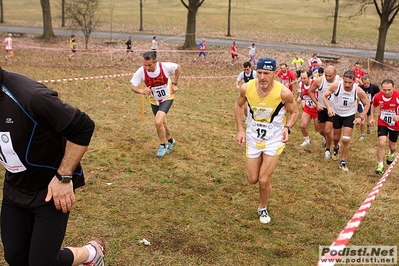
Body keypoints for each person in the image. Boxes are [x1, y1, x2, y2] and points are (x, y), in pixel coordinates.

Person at [0, 67, 104, 265]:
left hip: (50, 190)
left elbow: (83, 126)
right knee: (15, 258)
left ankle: (91, 253)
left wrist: (64, 177)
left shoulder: (29, 95)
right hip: (15, 187)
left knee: (41, 263)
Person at [234, 57, 298, 224]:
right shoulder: (246, 88)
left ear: (275, 74)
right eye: (259, 72)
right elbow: (238, 105)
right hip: (253, 137)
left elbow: (295, 112)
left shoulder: (284, 92)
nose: (262, 77)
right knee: (252, 179)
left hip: (274, 139)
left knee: (263, 179)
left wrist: (288, 127)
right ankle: (263, 176)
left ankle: (262, 207)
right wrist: (240, 129)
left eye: (266, 73)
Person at [130, 51, 180, 157]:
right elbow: (133, 86)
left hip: (167, 97)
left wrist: (175, 84)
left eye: (149, 65)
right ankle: (171, 141)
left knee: (158, 122)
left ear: (155, 62)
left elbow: (177, 67)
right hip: (154, 100)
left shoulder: (165, 66)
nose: (147, 68)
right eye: (145, 65)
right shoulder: (141, 71)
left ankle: (162, 146)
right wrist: (141, 91)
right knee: (163, 123)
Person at [322, 70, 370, 171]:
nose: (347, 85)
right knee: (336, 137)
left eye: (350, 83)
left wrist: (361, 117)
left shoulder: (358, 90)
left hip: (349, 115)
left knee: (345, 139)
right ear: (342, 80)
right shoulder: (336, 85)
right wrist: (329, 108)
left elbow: (367, 104)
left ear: (354, 81)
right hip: (337, 114)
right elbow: (324, 96)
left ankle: (343, 161)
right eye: (345, 82)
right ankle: (336, 147)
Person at [308, 65, 340, 158]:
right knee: (321, 130)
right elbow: (310, 91)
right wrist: (317, 103)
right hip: (322, 107)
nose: (328, 78)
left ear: (335, 74)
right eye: (326, 75)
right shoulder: (319, 80)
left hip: (333, 108)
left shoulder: (340, 81)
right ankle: (328, 140)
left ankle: (328, 149)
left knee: (328, 130)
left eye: (330, 76)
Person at [369, 79, 399, 174]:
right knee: (381, 143)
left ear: (393, 88)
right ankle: (380, 165)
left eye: (389, 90)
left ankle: (391, 153)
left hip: (395, 124)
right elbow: (373, 106)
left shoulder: (398, 96)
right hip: (383, 122)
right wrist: (372, 118)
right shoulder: (378, 96)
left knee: (392, 146)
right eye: (384, 90)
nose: (386, 92)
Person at [298, 70, 320, 147]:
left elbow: (322, 94)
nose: (302, 80)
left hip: (317, 109)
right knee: (303, 125)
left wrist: (316, 102)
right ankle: (307, 140)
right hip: (308, 108)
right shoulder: (301, 84)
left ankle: (325, 137)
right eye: (301, 78)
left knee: (318, 129)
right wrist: (300, 97)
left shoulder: (315, 83)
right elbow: (302, 92)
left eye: (304, 78)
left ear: (309, 77)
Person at [358, 75, 380, 140]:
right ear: (362, 82)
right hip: (362, 105)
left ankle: (368, 127)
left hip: (370, 105)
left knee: (369, 120)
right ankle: (362, 135)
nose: (366, 85)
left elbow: (379, 93)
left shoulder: (374, 87)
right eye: (364, 83)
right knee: (362, 122)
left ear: (370, 81)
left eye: (368, 83)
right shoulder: (360, 88)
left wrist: (376, 100)